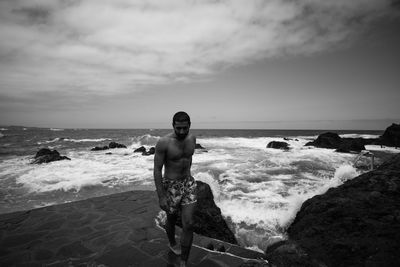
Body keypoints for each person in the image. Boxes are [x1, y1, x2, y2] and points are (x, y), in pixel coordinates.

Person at [153, 111, 197, 267]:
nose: (182, 132)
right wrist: (161, 196)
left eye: (185, 128)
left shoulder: (192, 139)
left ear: (189, 126)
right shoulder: (164, 142)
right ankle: (172, 242)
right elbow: (157, 169)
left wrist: (188, 178)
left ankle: (184, 261)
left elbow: (188, 159)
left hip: (188, 184)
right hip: (171, 186)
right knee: (171, 219)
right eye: (178, 128)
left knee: (189, 223)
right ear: (173, 126)